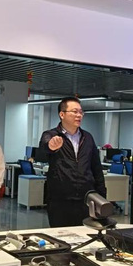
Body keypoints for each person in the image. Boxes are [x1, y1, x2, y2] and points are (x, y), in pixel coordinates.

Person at [39, 97, 106, 227]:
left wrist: (102, 196)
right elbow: (44, 148)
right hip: (60, 201)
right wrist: (51, 146)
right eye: (75, 111)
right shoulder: (51, 135)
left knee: (86, 235)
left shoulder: (88, 137)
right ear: (62, 114)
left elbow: (96, 168)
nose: (79, 115)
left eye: (81, 112)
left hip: (86, 199)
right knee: (61, 235)